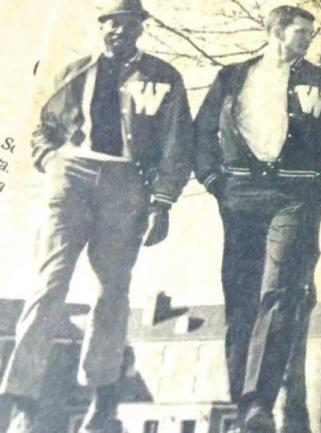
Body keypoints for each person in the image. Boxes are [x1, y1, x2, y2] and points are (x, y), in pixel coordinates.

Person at [0, 0, 193, 432]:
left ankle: (102, 399)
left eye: (129, 25)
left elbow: (178, 144)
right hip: (73, 175)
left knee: (112, 292)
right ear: (100, 26)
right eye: (112, 24)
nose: (120, 32)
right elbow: (40, 124)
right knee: (50, 284)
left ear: (141, 28)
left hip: (126, 183)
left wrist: (162, 201)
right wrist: (52, 159)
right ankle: (21, 400)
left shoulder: (164, 78)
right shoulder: (74, 70)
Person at [193, 5, 321, 433]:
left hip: (294, 198)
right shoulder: (233, 77)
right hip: (239, 196)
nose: (309, 39)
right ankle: (242, 404)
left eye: (312, 33)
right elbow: (202, 131)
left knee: (278, 292)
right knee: (240, 298)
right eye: (302, 32)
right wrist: (213, 180)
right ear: (277, 32)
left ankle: (260, 403)